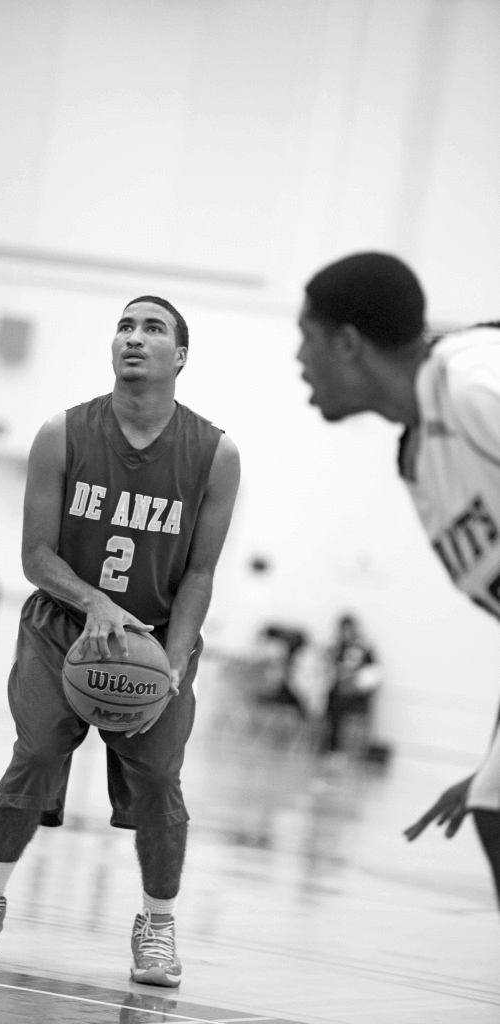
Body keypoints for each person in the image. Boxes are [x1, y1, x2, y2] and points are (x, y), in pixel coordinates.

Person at [0, 296, 241, 988]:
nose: (133, 337)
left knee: (160, 778)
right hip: (62, 625)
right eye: (125, 326)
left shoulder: (215, 453)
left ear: (180, 357)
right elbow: (37, 555)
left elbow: (198, 573)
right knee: (36, 752)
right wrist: (93, 600)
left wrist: (174, 663)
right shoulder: (61, 433)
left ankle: (157, 924)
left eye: (152, 328)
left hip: (155, 638)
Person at [296, 250, 500, 903]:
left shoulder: (475, 381)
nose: (299, 358)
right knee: (494, 808)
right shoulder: (420, 459)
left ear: (349, 343)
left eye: (307, 336)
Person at [322, 613, 381, 754]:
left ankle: (334, 748)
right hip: (336, 691)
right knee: (327, 700)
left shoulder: (364, 649)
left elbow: (374, 674)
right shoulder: (334, 647)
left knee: (338, 702)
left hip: (356, 695)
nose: (346, 633)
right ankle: (327, 746)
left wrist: (354, 682)